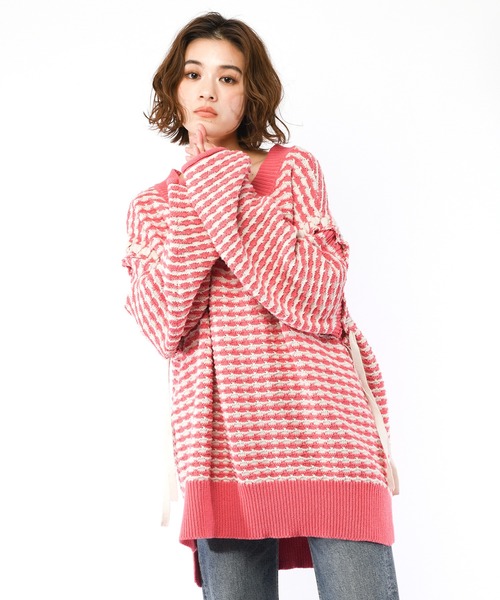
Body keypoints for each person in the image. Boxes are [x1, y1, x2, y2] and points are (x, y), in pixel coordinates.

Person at [122, 11, 400, 600]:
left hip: (327, 431)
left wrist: (221, 185)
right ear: (174, 87)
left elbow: (318, 298)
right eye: (194, 73)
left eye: (228, 77)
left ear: (250, 95)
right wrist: (202, 188)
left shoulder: (294, 170)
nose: (208, 89)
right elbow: (167, 324)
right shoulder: (152, 207)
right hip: (221, 444)